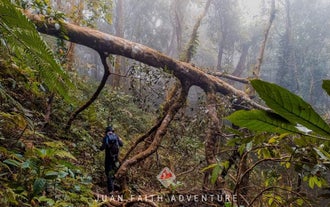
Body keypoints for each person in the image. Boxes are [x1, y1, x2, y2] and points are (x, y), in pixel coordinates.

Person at [99, 126, 123, 194]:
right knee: (113, 171)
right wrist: (120, 140)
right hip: (116, 158)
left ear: (106, 131)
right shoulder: (116, 136)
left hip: (108, 158)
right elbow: (121, 144)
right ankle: (112, 185)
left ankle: (111, 190)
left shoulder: (106, 137)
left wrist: (99, 147)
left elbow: (102, 148)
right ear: (113, 131)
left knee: (108, 173)